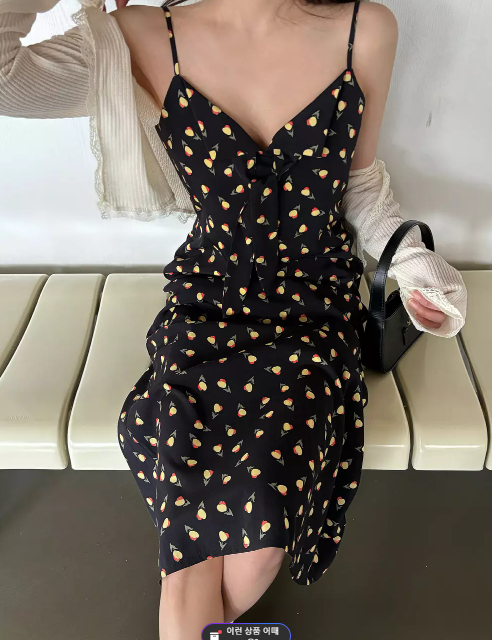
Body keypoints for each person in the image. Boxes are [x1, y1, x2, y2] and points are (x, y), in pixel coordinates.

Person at [0, 1, 467, 638]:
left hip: (313, 311)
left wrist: (414, 265)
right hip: (209, 304)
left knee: (258, 532)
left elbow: (359, 188)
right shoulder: (141, 33)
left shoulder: (365, 29)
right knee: (224, 535)